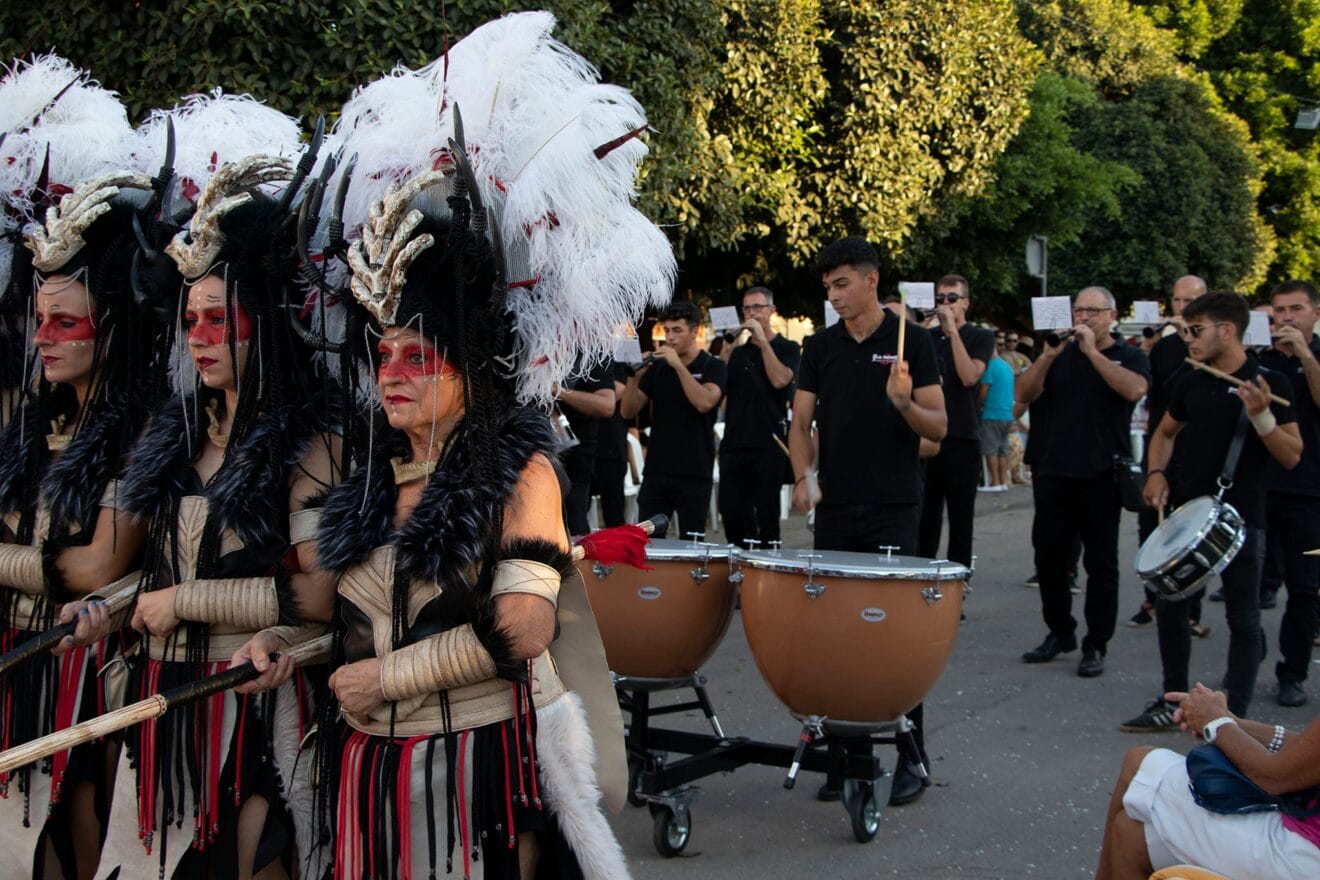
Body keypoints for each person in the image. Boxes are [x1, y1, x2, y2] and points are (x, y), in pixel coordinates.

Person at [232, 15, 671, 876]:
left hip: (472, 783)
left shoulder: (525, 471)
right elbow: (343, 625)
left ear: (472, 366)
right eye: (383, 355)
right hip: (363, 780)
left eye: (420, 357)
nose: (393, 375)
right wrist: (284, 648)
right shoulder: (366, 478)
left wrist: (385, 682)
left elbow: (523, 627)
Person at [92, 96, 343, 880]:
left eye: (218, 319)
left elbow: (320, 599)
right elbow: (169, 574)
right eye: (189, 321)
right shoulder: (176, 436)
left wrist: (183, 606)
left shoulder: (314, 444)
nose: (199, 338)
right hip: (166, 710)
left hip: (259, 709)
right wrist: (110, 605)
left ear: (263, 322)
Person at [0, 56, 168, 880]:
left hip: (83, 675)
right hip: (13, 657)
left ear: (108, 326)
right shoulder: (28, 419)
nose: (44, 338)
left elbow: (104, 563)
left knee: (66, 843)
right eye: (39, 321)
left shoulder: (139, 427)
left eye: (64, 323)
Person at [790, 235, 946, 807]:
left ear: (871, 279)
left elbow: (940, 428)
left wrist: (904, 403)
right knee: (833, 634)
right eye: (827, 288)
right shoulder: (819, 347)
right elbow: (801, 423)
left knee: (893, 635)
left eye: (842, 284)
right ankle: (848, 760)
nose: (833, 296)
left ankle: (912, 756)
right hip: (836, 509)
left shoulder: (915, 344)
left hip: (894, 507)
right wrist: (805, 476)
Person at [1123, 291, 1300, 734]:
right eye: (1185, 330)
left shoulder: (1270, 382)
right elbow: (1163, 432)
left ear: (1227, 329)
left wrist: (1262, 420)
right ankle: (1172, 701)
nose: (1188, 339)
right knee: (1172, 609)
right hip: (1188, 513)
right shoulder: (1191, 379)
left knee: (1243, 618)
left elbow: (1292, 455)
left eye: (1196, 330)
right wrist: (1156, 472)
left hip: (1243, 518)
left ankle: (1231, 718)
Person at [1017, 286, 1150, 678]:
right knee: (1049, 558)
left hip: (1101, 473)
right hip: (1052, 469)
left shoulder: (1129, 355)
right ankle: (1060, 631)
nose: (1084, 318)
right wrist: (1047, 356)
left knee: (1101, 563)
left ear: (1111, 316)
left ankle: (1096, 643)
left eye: (1093, 311)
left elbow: (1135, 390)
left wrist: (1093, 352)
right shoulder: (1055, 353)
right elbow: (1022, 395)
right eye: (1079, 310)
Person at [1095, 682, 1320, 879]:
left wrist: (1217, 723)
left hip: (1304, 856)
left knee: (1140, 763)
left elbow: (1274, 777)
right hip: (1305, 842)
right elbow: (1306, 753)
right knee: (1130, 835)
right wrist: (1231, 723)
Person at [1129, 275, 1206, 631]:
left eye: (1189, 301)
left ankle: (1191, 606)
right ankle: (1153, 597)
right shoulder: (1164, 347)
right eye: (1177, 301)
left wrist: (1190, 335)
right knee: (1151, 523)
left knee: (1192, 527)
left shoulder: (1208, 345)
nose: (1182, 308)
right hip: (1161, 447)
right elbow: (1152, 390)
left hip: (1197, 449)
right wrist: (1150, 347)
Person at [1260, 280, 1320, 707]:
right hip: (1259, 487)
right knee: (1246, 587)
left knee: (1304, 589)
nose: (1285, 318)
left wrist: (1305, 355)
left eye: (1295, 309)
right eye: (1279, 310)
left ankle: (1292, 673)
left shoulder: (1313, 356)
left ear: (1314, 313)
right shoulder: (1257, 359)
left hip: (1309, 491)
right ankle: (1243, 663)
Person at [621, 300, 726, 539]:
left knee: (692, 542)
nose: (670, 337)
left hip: (694, 470)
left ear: (695, 331)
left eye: (677, 330)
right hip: (658, 469)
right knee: (647, 542)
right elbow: (627, 412)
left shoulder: (712, 365)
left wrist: (678, 365)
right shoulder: (658, 368)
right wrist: (634, 378)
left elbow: (705, 403)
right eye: (667, 330)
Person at [919, 275, 995, 565]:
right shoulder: (927, 337)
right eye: (940, 299)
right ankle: (922, 583)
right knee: (927, 515)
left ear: (965, 303)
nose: (945, 304)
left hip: (962, 436)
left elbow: (969, 376)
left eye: (952, 298)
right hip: (930, 436)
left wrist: (952, 333)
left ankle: (957, 589)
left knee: (961, 518)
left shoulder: (980, 337)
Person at [717, 285, 799, 550]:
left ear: (771, 311)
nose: (751, 313)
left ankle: (768, 571)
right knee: (731, 511)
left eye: (757, 308)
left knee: (767, 515)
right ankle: (740, 566)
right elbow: (719, 388)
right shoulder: (738, 351)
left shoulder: (788, 347)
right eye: (747, 308)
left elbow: (780, 380)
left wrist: (763, 342)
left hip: (769, 443)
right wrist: (728, 346)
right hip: (734, 442)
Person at [554, 360, 616, 535]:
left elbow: (607, 405)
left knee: (574, 531)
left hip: (575, 463)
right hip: (529, 457)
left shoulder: (593, 356)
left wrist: (557, 390)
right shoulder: (530, 349)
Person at [590, 361, 631, 528]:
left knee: (614, 515)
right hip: (581, 446)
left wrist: (571, 393)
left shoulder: (614, 359)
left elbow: (615, 395)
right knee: (576, 511)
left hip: (610, 445)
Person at [979, 335, 1016, 492]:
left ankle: (994, 482)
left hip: (991, 413)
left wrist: (977, 404)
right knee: (1003, 449)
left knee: (990, 449)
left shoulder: (990, 367)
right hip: (1007, 414)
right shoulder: (1006, 366)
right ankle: (1002, 481)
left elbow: (983, 393)